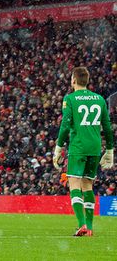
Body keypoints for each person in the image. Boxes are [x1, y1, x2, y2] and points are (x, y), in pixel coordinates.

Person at [53, 67, 114, 236]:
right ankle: (89, 227)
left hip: (78, 147)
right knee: (87, 186)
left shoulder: (70, 99)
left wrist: (58, 148)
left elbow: (65, 126)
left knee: (74, 183)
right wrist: (109, 150)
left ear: (73, 80)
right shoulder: (100, 99)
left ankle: (82, 225)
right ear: (87, 81)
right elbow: (107, 128)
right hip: (94, 148)